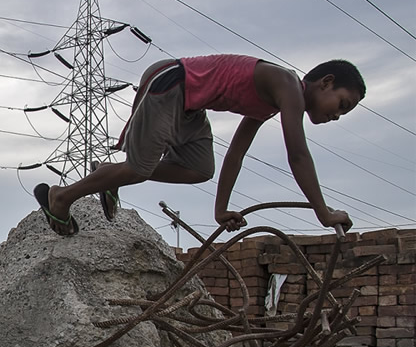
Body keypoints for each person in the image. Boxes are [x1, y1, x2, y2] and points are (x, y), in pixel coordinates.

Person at [33, 54, 365, 236]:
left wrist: (219, 210)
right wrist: (323, 212)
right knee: (138, 169)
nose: (337, 115)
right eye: (342, 105)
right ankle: (61, 196)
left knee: (199, 169)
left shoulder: (274, 99)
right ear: (326, 82)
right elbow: (298, 154)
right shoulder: (287, 84)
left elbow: (235, 153)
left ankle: (109, 173)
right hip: (172, 82)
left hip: (190, 106)